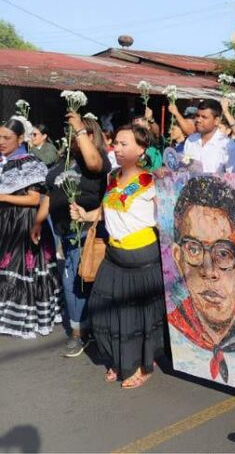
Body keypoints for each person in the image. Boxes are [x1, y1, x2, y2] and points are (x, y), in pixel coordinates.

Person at [70, 124, 166, 389]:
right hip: (114, 255)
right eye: (117, 144)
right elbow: (104, 211)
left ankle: (142, 366)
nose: (118, 149)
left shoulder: (152, 181)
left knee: (139, 317)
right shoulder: (113, 178)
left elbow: (167, 220)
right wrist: (84, 215)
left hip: (142, 257)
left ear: (141, 149)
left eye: (125, 144)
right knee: (102, 312)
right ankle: (118, 357)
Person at [167, 176, 235, 384]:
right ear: (179, 259)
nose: (209, 271)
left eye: (224, 253)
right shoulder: (175, 332)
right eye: (193, 249)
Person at [35, 113, 110, 356]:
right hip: (61, 232)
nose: (73, 135)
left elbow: (93, 162)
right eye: (72, 132)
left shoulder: (98, 162)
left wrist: (79, 127)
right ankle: (84, 327)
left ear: (91, 136)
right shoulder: (65, 160)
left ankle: (80, 333)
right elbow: (50, 193)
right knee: (73, 282)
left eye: (79, 132)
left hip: (86, 232)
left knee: (76, 283)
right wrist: (38, 222)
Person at [0, 118, 60, 338]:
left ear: (20, 138)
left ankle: (25, 316)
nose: (1, 142)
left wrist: (4, 196)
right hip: (7, 220)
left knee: (21, 267)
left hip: (23, 222)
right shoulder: (4, 161)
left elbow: (36, 199)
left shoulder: (29, 162)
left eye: (6, 138)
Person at [183, 99, 235, 173]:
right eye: (197, 116)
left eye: (204, 117)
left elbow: (234, 179)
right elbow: (184, 169)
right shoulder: (190, 141)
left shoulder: (229, 147)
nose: (198, 120)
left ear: (216, 120)